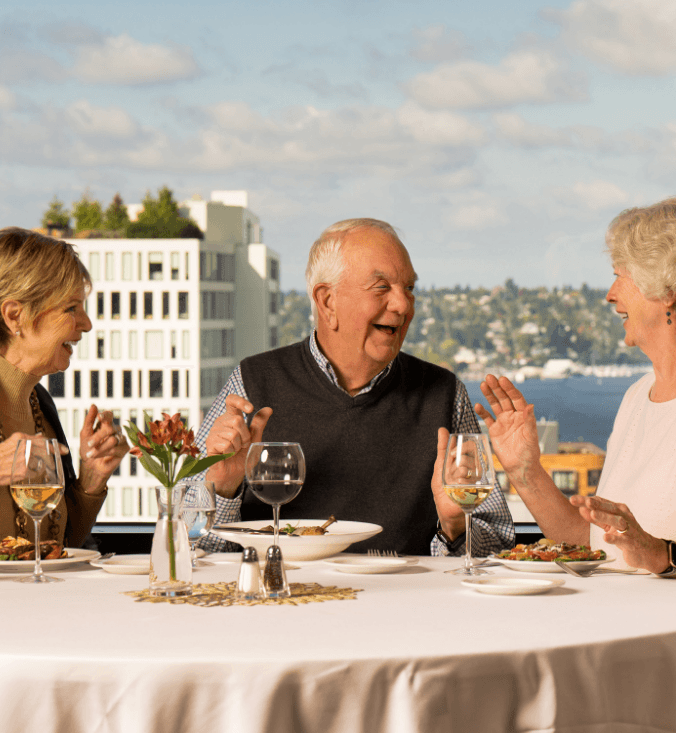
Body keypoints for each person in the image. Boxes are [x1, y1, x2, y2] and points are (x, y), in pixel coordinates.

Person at [198, 218, 513, 556]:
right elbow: (194, 547)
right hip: (284, 602)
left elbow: (497, 547)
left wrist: (455, 526)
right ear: (327, 302)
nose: (404, 305)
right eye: (382, 287)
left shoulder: (445, 394)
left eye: (409, 288)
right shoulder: (251, 382)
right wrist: (224, 489)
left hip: (409, 604)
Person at [477, 197, 676, 575]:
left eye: (621, 275)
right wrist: (525, 471)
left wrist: (664, 555)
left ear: (667, 289)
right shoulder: (637, 398)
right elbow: (590, 546)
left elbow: (651, 555)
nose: (610, 293)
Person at [0, 227, 129, 548]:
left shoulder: (39, 403)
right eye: (71, 308)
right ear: (14, 316)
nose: (86, 324)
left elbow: (57, 543)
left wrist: (91, 479)